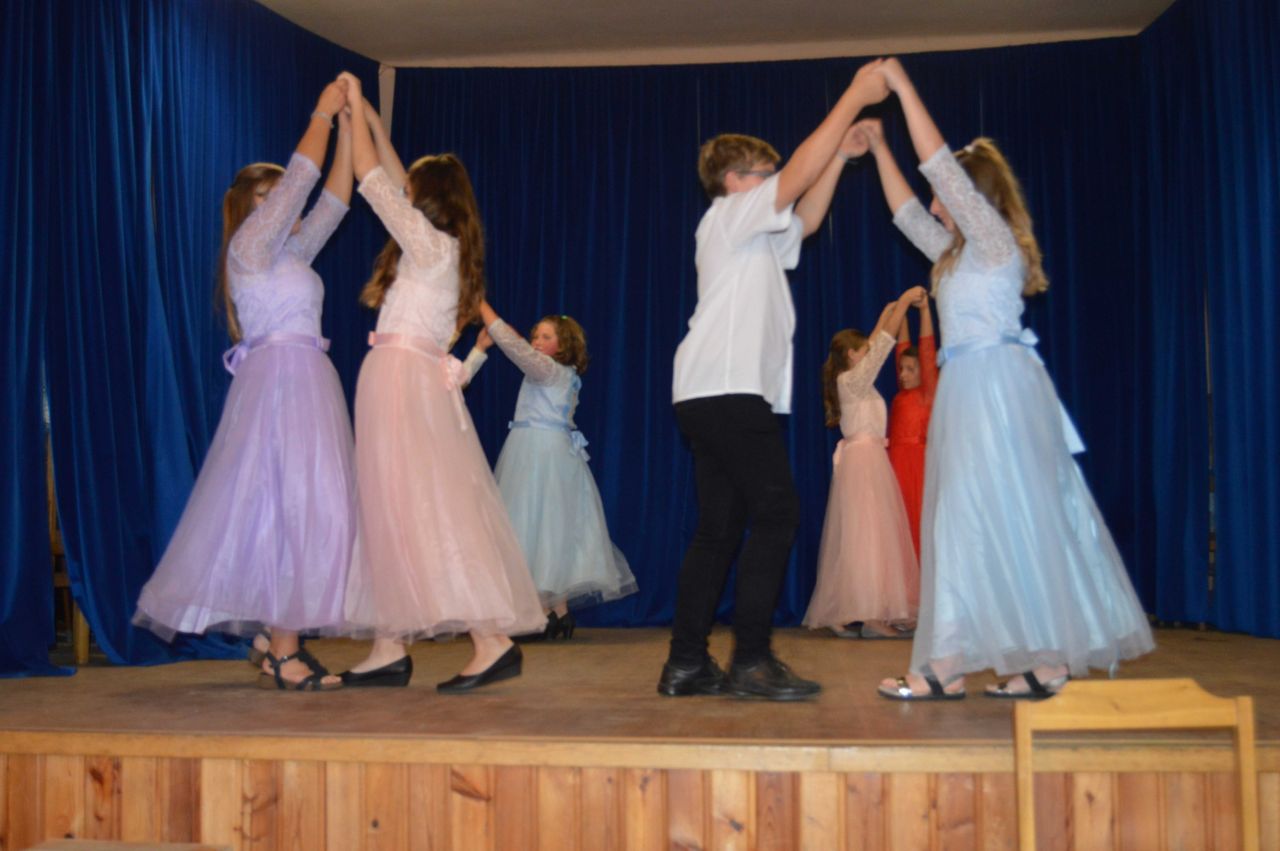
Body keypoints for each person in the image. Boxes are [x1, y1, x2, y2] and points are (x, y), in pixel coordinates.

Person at [854, 59, 1153, 701]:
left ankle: (952, 664)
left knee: (981, 517)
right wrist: (878, 148)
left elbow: (938, 171)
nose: (938, 204)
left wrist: (903, 88)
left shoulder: (992, 243)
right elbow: (907, 214)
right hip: (974, 389)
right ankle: (1035, 661)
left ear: (975, 196)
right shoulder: (959, 254)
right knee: (984, 520)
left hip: (993, 392)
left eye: (949, 195)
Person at [661, 59, 891, 701]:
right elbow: (794, 182)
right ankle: (752, 660)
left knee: (719, 528)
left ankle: (686, 663)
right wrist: (852, 98)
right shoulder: (729, 214)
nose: (775, 184)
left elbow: (805, 221)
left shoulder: (752, 234)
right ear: (735, 181)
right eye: (764, 175)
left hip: (710, 392)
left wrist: (840, 158)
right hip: (726, 390)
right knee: (778, 511)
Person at [135, 78, 356, 691]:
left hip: (307, 381)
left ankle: (273, 637)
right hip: (279, 386)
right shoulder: (250, 247)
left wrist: (349, 126)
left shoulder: (292, 253)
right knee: (286, 510)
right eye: (268, 195)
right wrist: (321, 113)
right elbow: (303, 181)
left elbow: (335, 199)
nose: (279, 203)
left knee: (310, 510)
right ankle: (283, 650)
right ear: (248, 206)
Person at [337, 74, 545, 692]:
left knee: (420, 506)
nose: (405, 192)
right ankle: (389, 643)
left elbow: (374, 179)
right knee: (394, 506)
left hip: (402, 379)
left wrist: (355, 113)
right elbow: (394, 177)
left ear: (427, 201)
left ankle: (490, 638)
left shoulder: (429, 247)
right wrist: (374, 122)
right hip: (403, 378)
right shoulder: (440, 248)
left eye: (414, 191)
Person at [476, 302, 637, 638]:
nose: (536, 341)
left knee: (532, 524)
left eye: (545, 337)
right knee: (552, 529)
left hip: (538, 452)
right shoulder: (566, 375)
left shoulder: (548, 370)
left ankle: (542, 612)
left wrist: (482, 307)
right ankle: (558, 612)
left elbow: (514, 348)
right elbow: (519, 348)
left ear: (562, 346)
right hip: (554, 452)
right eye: (535, 335)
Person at [803, 287, 923, 640]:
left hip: (868, 459)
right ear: (852, 356)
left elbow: (874, 342)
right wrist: (903, 304)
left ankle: (850, 610)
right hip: (863, 463)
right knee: (868, 536)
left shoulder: (856, 381)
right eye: (863, 351)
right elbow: (881, 346)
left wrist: (887, 312)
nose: (868, 353)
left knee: (866, 537)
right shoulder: (851, 381)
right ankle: (870, 616)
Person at [887, 291, 937, 559]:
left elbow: (926, 349)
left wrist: (925, 311)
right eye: (901, 370)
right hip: (895, 465)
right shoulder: (902, 394)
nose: (903, 375)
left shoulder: (928, 392)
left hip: (915, 467)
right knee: (898, 527)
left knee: (916, 522)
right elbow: (902, 348)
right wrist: (902, 317)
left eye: (910, 369)